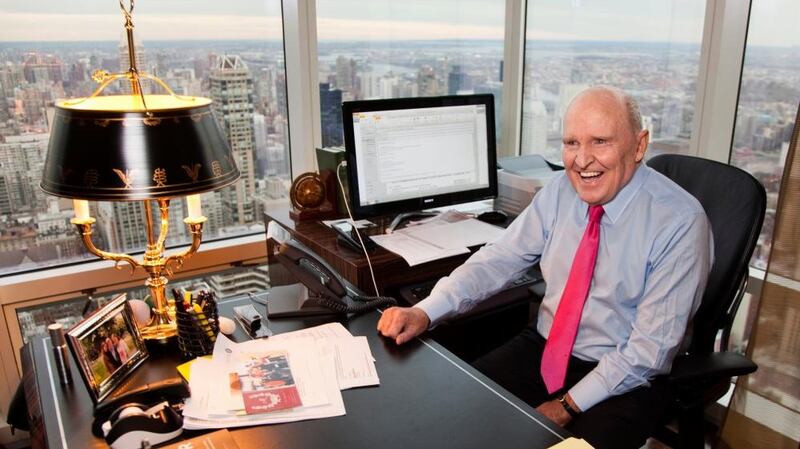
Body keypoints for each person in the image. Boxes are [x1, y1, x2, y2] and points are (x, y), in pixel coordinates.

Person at [377, 86, 713, 449]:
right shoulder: (559, 191)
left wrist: (565, 405)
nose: (582, 160)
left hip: (628, 376)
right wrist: (425, 311)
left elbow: (647, 352)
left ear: (638, 145)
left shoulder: (680, 222)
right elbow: (499, 258)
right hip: (547, 348)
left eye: (600, 141)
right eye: (571, 143)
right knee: (454, 417)